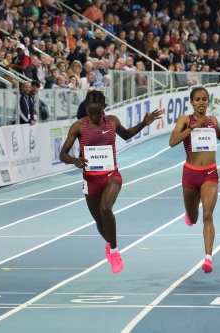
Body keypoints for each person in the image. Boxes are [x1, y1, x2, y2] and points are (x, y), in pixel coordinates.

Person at [59, 90, 162, 274]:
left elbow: (127, 134)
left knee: (106, 208)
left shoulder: (112, 121)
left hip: (111, 176)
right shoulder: (78, 126)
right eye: (90, 113)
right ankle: (109, 243)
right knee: (100, 223)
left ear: (104, 109)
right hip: (90, 180)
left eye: (97, 113)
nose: (93, 116)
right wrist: (74, 160)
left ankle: (114, 252)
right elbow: (63, 154)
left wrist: (144, 123)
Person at [168, 87, 220, 274]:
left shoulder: (212, 120)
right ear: (192, 102)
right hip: (190, 174)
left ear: (208, 102)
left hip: (209, 173)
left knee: (208, 215)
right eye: (197, 100)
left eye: (204, 99)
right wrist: (194, 126)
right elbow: (172, 141)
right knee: (193, 218)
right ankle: (189, 214)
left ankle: (208, 258)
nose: (201, 102)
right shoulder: (185, 120)